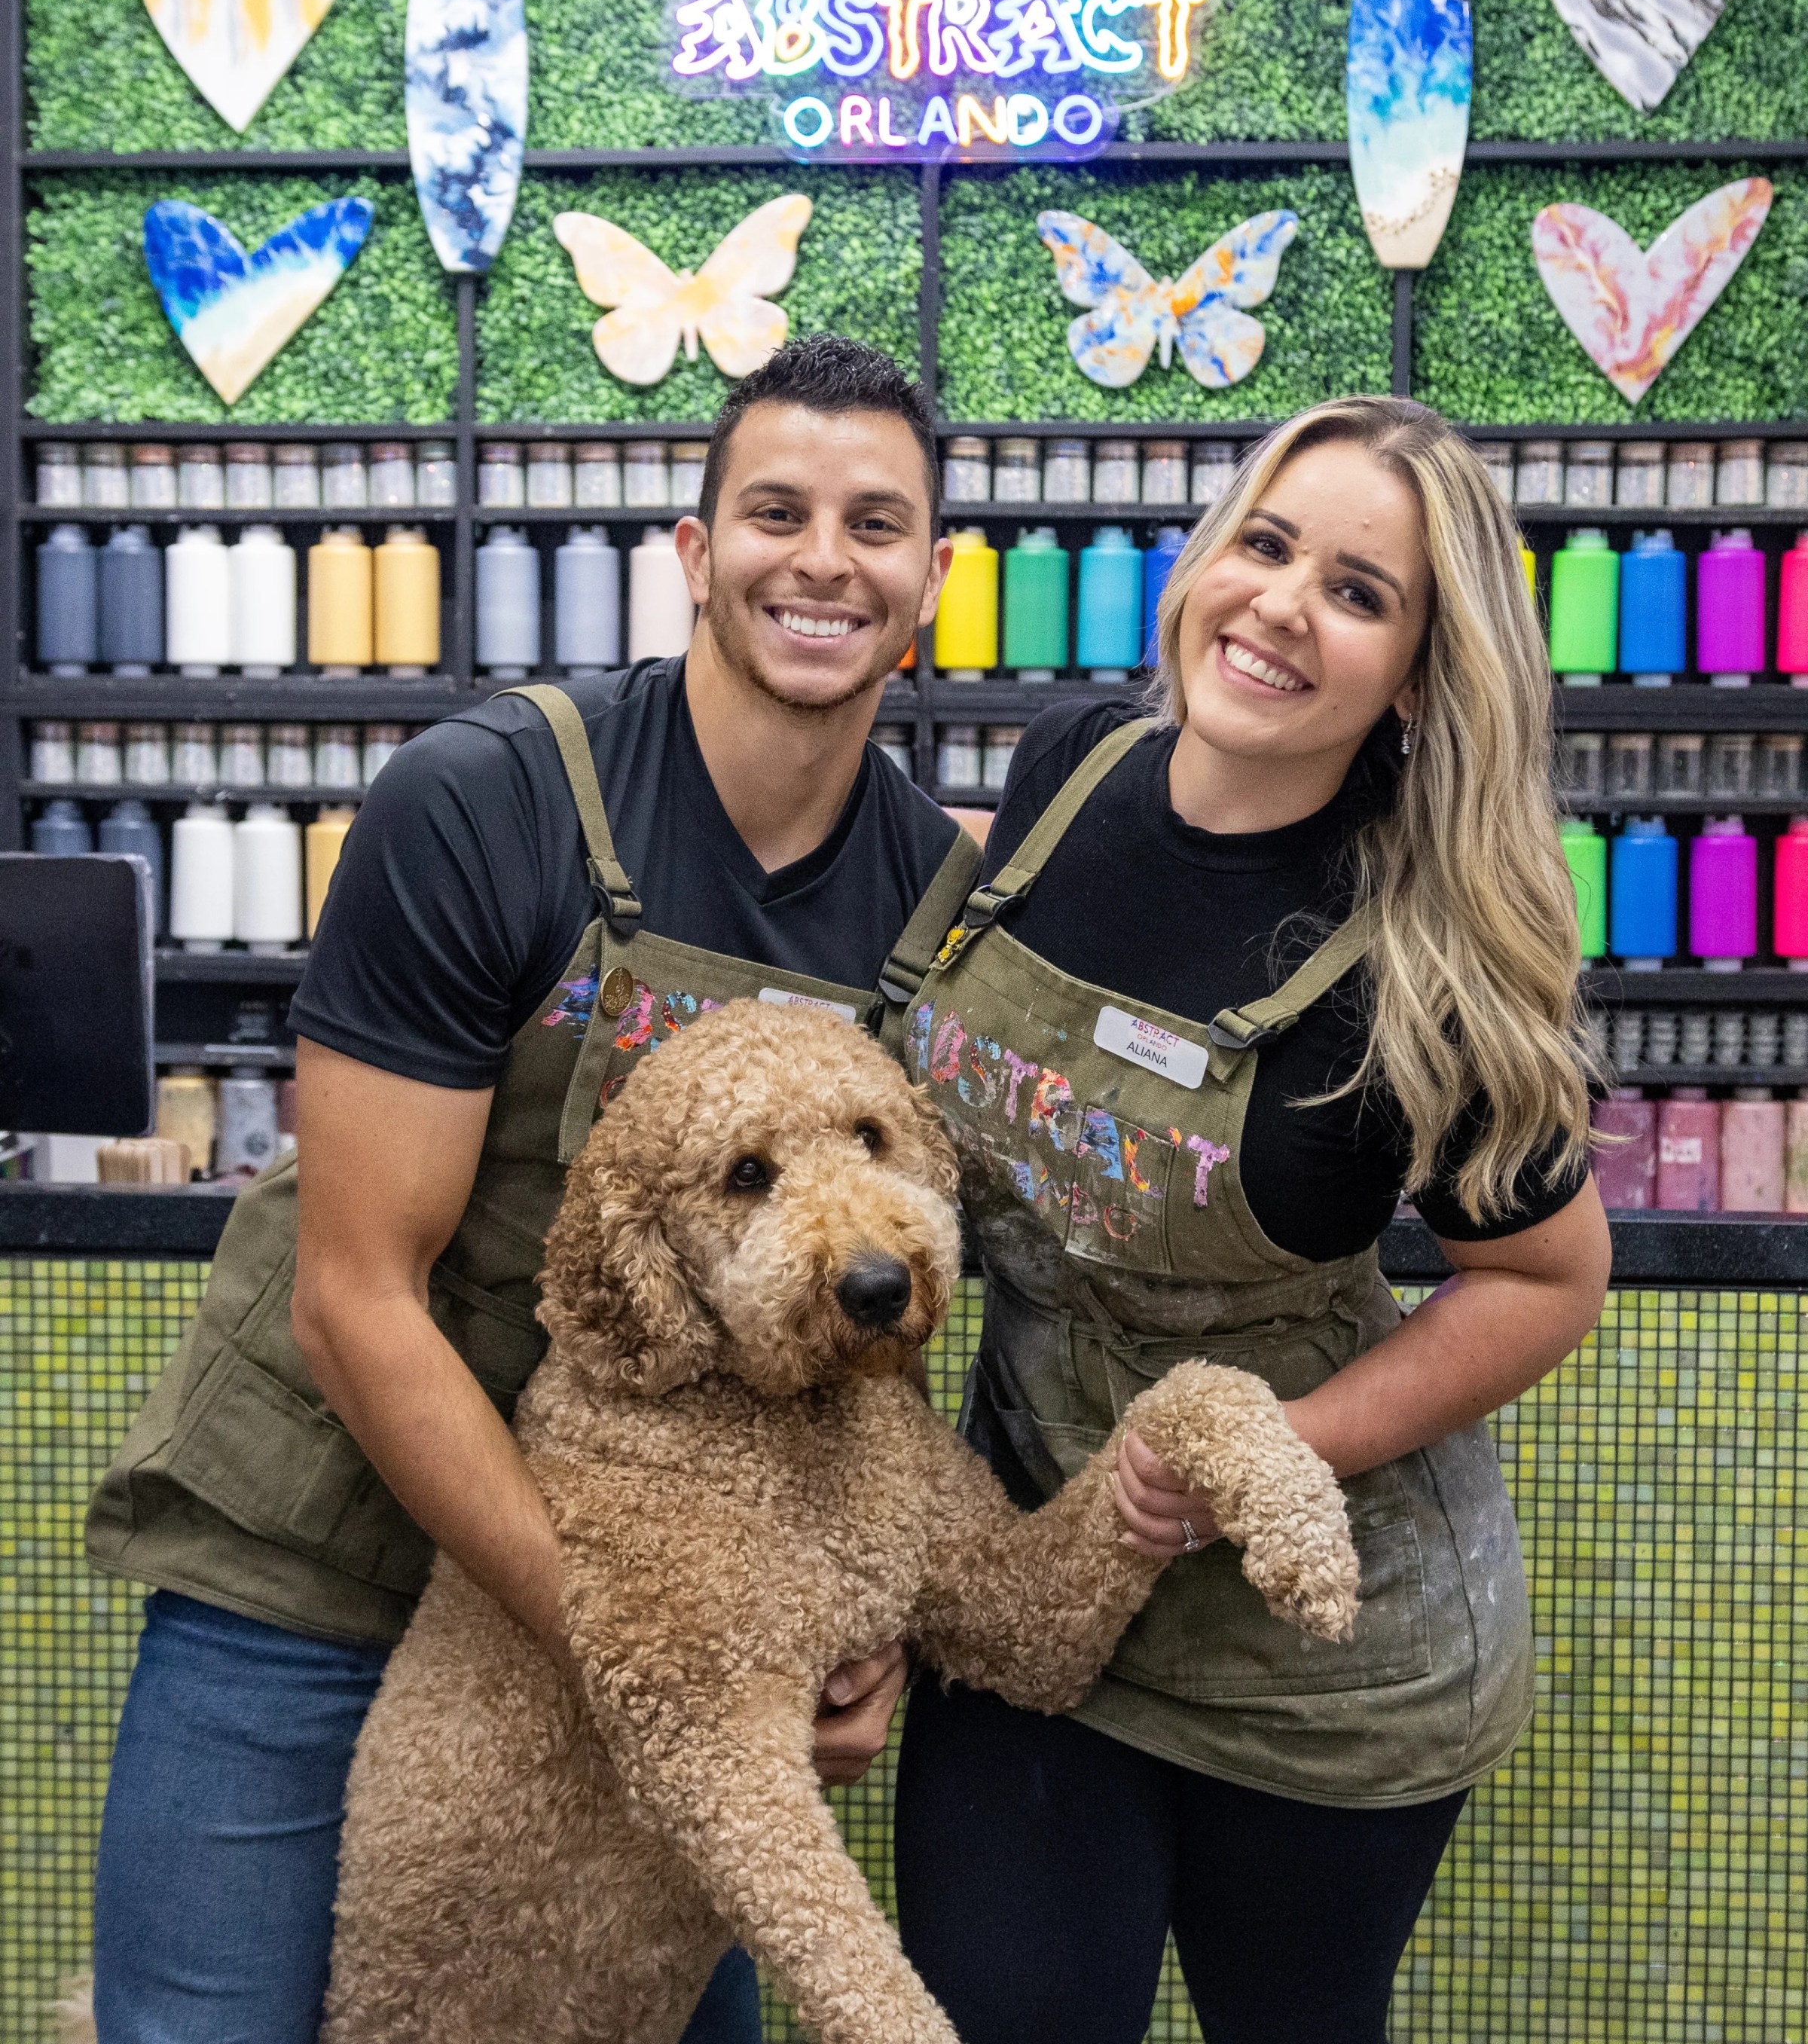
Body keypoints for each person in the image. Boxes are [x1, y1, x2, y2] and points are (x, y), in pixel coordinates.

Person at [85, 335, 976, 2044]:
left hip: (658, 1565)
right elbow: (358, 1297)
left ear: (932, 577)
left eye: (877, 523)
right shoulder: (488, 800)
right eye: (776, 510)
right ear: (696, 552)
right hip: (327, 1555)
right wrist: (656, 1655)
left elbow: (868, 1295)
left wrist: (834, 1615)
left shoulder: (929, 896)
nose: (824, 558)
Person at [892, 396, 1612, 2044]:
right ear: (1207, 562)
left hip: (1326, 1653)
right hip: (1041, 1575)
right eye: (1268, 545)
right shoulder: (1068, 771)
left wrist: (1263, 1456)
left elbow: (1550, 1279)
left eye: (1360, 591)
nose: (1285, 603)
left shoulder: (1430, 954)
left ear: (1422, 674)